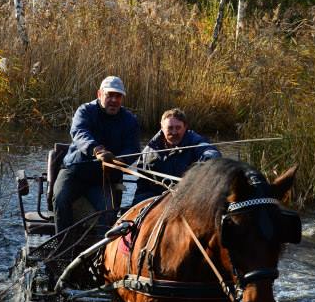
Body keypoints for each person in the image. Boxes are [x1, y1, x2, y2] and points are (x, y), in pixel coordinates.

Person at [54, 76, 140, 234]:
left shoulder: (129, 120)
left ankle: (102, 255)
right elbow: (79, 133)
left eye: (118, 96)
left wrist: (120, 160)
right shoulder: (85, 111)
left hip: (103, 179)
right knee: (60, 199)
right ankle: (64, 248)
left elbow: (133, 148)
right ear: (99, 94)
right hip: (75, 171)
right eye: (110, 95)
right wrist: (97, 150)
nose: (114, 100)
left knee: (108, 214)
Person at [132, 108, 221, 205]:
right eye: (170, 128)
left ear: (185, 127)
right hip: (156, 199)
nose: (174, 132)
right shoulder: (149, 150)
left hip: (187, 198)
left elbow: (210, 151)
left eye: (178, 128)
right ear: (162, 127)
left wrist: (209, 159)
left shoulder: (195, 142)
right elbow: (142, 185)